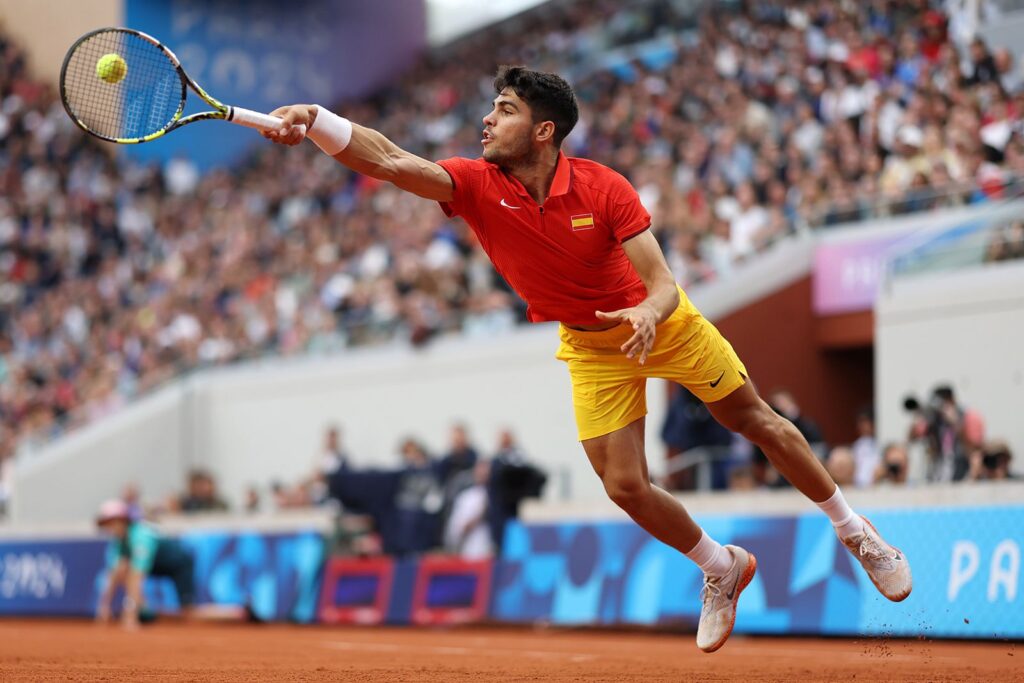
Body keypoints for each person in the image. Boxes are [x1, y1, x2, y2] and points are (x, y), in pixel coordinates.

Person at [264, 65, 911, 652]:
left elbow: (660, 280)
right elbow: (387, 158)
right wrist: (317, 118)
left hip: (664, 325)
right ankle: (722, 567)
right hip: (589, 345)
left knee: (754, 420)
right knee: (625, 486)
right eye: (492, 107)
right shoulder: (474, 185)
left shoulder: (604, 188)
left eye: (505, 109)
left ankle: (855, 530)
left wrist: (648, 314)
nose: (488, 119)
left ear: (543, 130)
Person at [94, 500, 251, 628]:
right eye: (105, 524)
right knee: (122, 567)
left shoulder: (140, 536)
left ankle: (239, 612)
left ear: (122, 521)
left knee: (189, 614)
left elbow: (137, 576)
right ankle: (144, 610)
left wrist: (130, 615)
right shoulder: (119, 543)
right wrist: (104, 607)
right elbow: (114, 574)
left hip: (179, 565)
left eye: (110, 522)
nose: (108, 528)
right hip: (157, 565)